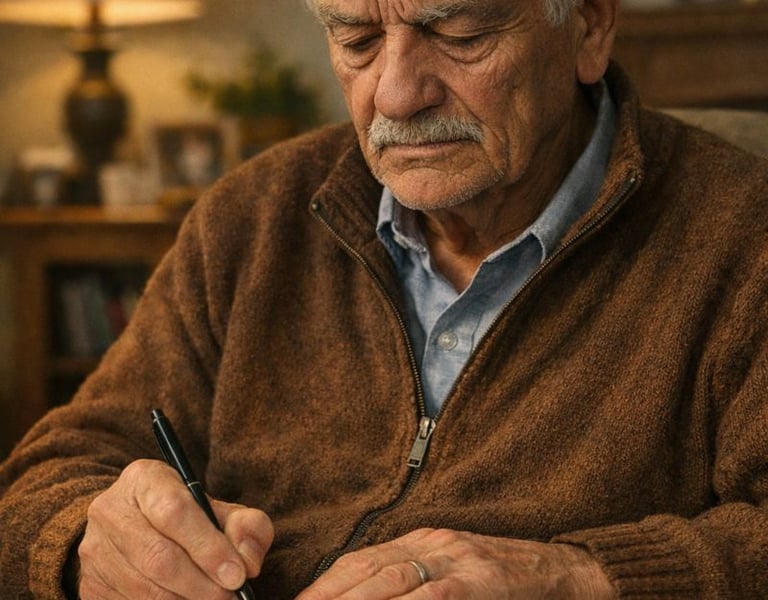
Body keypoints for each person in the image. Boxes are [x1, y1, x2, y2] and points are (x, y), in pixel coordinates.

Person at [1, 0, 767, 596]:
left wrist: (583, 578)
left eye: (460, 32)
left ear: (591, 26)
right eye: (356, 39)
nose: (396, 94)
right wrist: (86, 542)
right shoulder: (254, 217)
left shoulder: (741, 237)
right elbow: (48, 474)